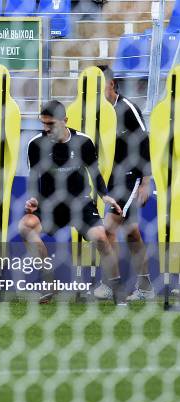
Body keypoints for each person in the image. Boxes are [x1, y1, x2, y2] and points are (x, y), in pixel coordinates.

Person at [18, 100, 125, 304]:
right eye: (43, 124)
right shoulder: (36, 144)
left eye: (51, 124)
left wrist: (104, 195)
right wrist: (33, 198)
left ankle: (117, 288)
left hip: (80, 203)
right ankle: (49, 283)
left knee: (101, 238)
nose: (46, 129)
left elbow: (94, 172)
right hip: (50, 204)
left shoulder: (83, 141)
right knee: (25, 227)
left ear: (65, 121)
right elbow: (34, 178)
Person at [95, 65, 153, 301]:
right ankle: (146, 288)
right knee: (131, 233)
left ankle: (110, 285)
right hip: (110, 178)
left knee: (107, 229)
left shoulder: (127, 108)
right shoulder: (95, 113)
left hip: (130, 176)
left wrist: (146, 180)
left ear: (111, 84)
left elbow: (144, 141)